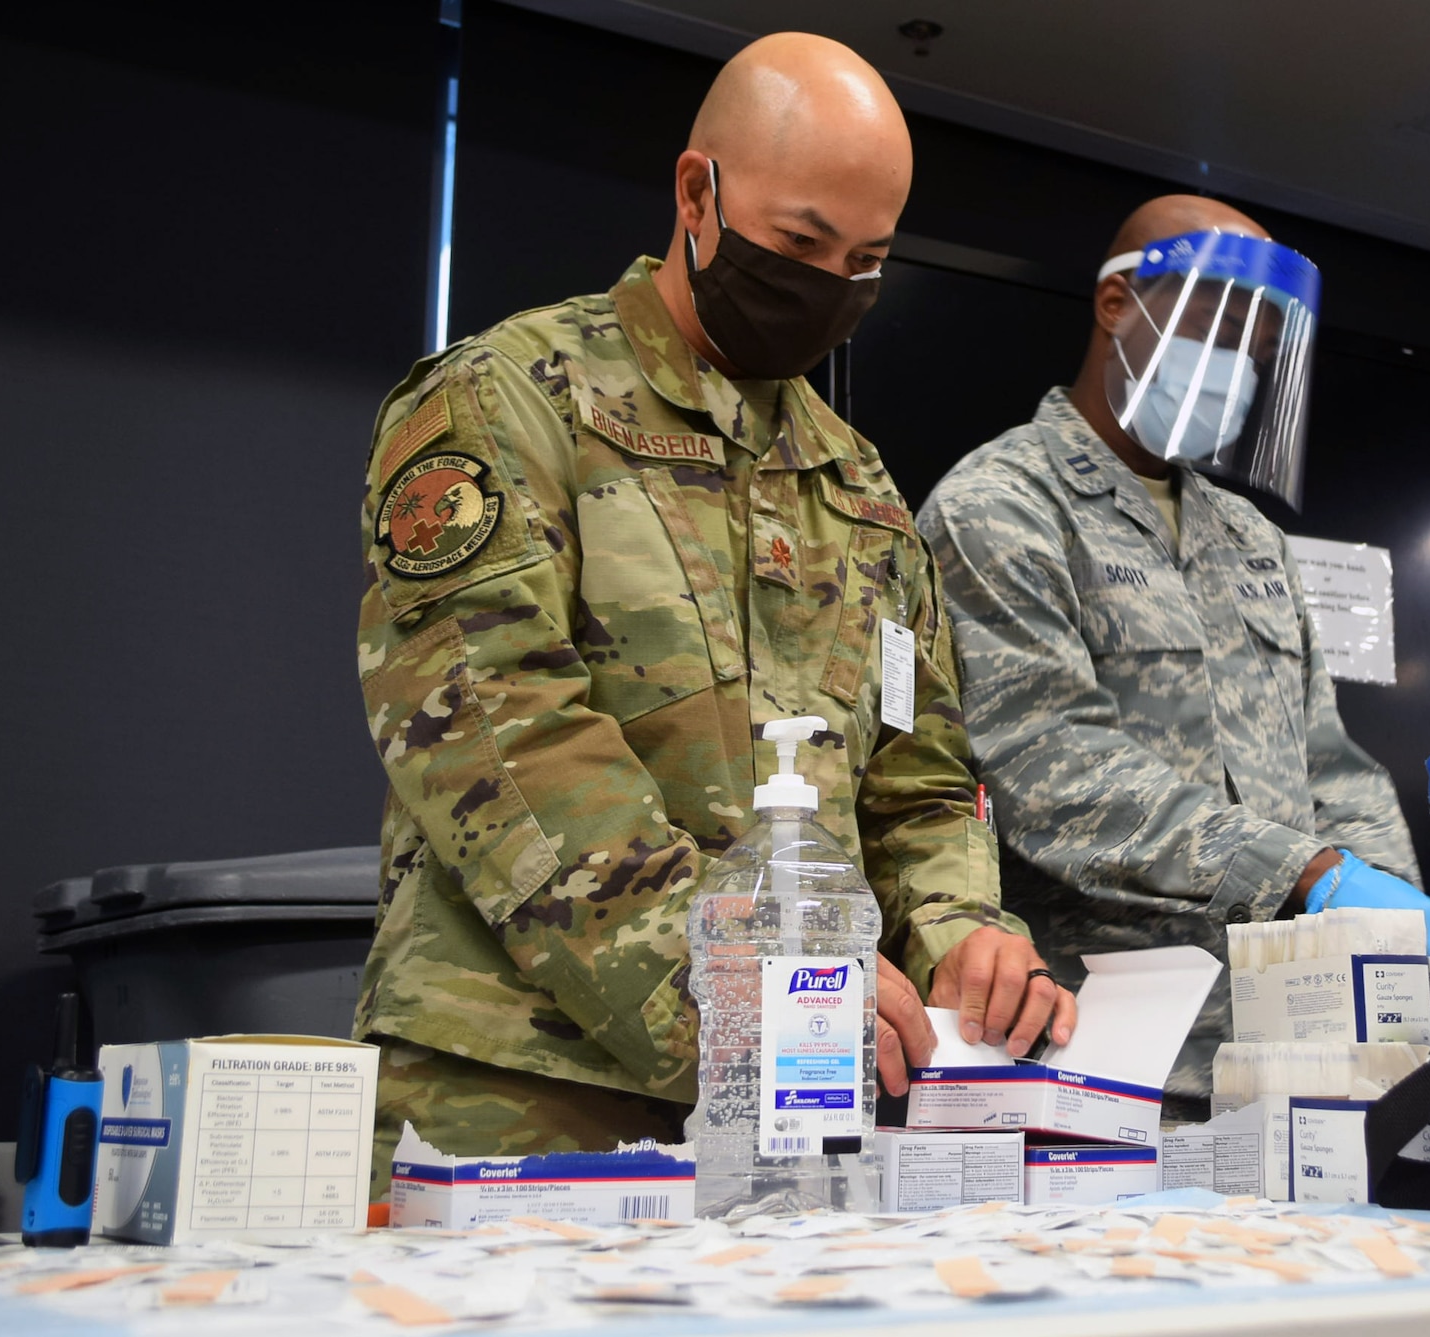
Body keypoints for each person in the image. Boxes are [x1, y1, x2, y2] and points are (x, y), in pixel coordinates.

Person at [351, 32, 1073, 1186]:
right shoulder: (508, 401)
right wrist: (738, 982)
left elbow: (917, 774)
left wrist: (960, 935)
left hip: (797, 1106)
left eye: (865, 259)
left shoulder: (860, 486)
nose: (830, 284)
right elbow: (496, 734)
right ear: (698, 192)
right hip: (517, 1100)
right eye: (798, 242)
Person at [916, 195, 1430, 1121]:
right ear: (1117, 305)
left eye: (1259, 339)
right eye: (1218, 323)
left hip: (1292, 1062)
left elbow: (1330, 765)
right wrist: (1302, 873)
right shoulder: (1001, 504)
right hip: (1104, 1065)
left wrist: (1400, 923)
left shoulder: (1254, 539)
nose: (1237, 361)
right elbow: (1051, 765)